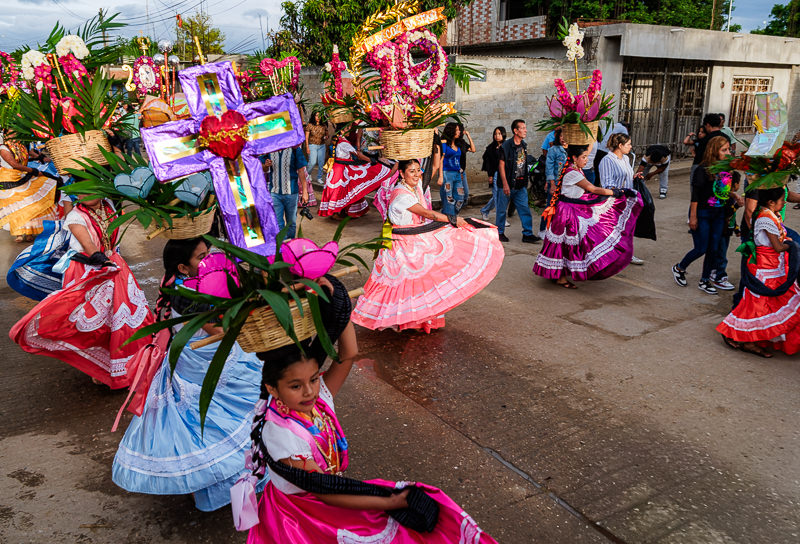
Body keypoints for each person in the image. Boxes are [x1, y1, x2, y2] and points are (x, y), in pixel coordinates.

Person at [233, 277, 498, 543]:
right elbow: (323, 491)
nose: (309, 391)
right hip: (302, 514)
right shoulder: (280, 434)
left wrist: (339, 303)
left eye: (313, 379)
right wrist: (390, 503)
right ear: (272, 388)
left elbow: (348, 354)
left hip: (327, 495)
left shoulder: (319, 399)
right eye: (295, 385)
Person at [113, 238, 267, 511]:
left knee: (213, 426)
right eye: (201, 257)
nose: (207, 261)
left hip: (195, 362)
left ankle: (212, 486)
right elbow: (218, 331)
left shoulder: (178, 282)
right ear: (183, 267)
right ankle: (211, 489)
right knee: (217, 425)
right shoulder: (188, 293)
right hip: (203, 366)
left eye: (208, 254)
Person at [10, 196, 154, 387]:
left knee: (123, 318)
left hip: (114, 266)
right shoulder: (75, 216)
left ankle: (132, 364)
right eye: (81, 190)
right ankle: (99, 367)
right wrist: (100, 259)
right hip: (89, 270)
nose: (86, 195)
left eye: (90, 188)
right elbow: (89, 245)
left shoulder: (109, 205)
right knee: (95, 322)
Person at [352, 159, 503, 332]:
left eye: (418, 170)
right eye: (411, 171)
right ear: (401, 173)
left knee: (420, 281)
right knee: (406, 284)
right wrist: (453, 219)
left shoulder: (414, 188)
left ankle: (419, 319)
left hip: (412, 240)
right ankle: (406, 320)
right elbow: (426, 213)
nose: (417, 175)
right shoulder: (401, 194)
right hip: (401, 245)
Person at [533, 144, 642, 288]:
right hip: (567, 212)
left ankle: (559, 274)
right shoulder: (573, 173)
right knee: (567, 245)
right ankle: (560, 277)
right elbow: (593, 188)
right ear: (574, 158)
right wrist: (618, 193)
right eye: (583, 157)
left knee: (566, 244)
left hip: (568, 209)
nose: (586, 160)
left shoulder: (574, 169)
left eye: (586, 156)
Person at [717, 187, 800, 358]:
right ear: (770, 202)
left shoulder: (770, 214)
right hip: (765, 270)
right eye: (781, 200)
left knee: (768, 306)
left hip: (773, 267)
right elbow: (777, 246)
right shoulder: (766, 218)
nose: (784, 203)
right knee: (756, 307)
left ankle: (755, 339)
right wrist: (792, 246)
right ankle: (743, 338)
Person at [672, 136, 732, 295]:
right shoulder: (702, 169)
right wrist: (693, 217)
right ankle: (679, 268)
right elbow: (696, 196)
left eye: (728, 149)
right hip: (703, 214)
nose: (728, 152)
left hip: (718, 215)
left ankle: (705, 280)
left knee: (714, 248)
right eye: (724, 150)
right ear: (714, 151)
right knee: (701, 248)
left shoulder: (726, 170)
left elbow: (723, 194)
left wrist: (729, 214)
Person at [318, 127, 396, 218]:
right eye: (347, 128)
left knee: (343, 190)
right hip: (340, 169)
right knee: (340, 191)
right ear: (342, 130)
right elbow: (357, 154)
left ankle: (341, 211)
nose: (350, 130)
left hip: (339, 168)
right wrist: (371, 160)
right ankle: (335, 213)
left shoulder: (340, 140)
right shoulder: (343, 142)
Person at [0, 132, 61, 242]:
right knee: (17, 206)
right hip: (8, 179)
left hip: (21, 176)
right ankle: (18, 232)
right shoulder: (4, 148)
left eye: (15, 131)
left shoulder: (21, 146)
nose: (14, 133)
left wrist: (40, 159)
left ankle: (30, 232)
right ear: (5, 133)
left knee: (29, 203)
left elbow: (28, 157)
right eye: (11, 131)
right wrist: (34, 171)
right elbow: (14, 165)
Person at [599, 133, 644, 266]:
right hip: (615, 201)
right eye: (628, 144)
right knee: (613, 230)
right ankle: (610, 256)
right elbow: (607, 183)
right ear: (620, 145)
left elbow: (626, 176)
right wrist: (620, 192)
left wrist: (634, 177)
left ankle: (627, 254)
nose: (631, 147)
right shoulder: (607, 160)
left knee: (627, 228)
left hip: (628, 200)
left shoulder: (625, 158)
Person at [496, 119, 538, 244]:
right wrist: (505, 184)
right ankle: (499, 233)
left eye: (525, 128)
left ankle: (527, 234)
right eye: (523, 128)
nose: (525, 130)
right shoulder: (506, 146)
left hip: (520, 185)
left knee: (525, 210)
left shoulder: (523, 145)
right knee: (502, 210)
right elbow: (501, 166)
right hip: (507, 184)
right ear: (515, 130)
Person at [265, 144, 309, 238]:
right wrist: (265, 165)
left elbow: (301, 171)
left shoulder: (295, 150)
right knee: (277, 222)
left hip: (291, 193)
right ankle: (281, 246)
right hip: (274, 193)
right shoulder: (270, 149)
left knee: (291, 223)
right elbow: (264, 167)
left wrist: (305, 192)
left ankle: (290, 244)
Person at [709, 172, 742, 291]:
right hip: (722, 231)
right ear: (735, 184)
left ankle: (713, 271)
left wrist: (736, 228)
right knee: (722, 254)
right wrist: (738, 206)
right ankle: (720, 277)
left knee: (718, 252)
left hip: (726, 230)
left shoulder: (728, 196)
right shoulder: (727, 199)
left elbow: (732, 218)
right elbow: (728, 213)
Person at [691, 114, 730, 179]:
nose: (728, 153)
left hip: (704, 170)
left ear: (708, 125)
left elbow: (700, 155)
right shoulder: (726, 137)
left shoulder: (705, 139)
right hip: (722, 168)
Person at [439, 122, 466, 216]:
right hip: (447, 174)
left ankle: (447, 215)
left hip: (457, 174)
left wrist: (460, 172)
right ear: (451, 131)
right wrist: (441, 176)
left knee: (461, 198)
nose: (459, 132)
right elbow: (440, 160)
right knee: (449, 198)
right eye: (457, 130)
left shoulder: (458, 144)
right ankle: (450, 220)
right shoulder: (444, 144)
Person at [480, 126, 506, 222]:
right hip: (495, 174)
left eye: (499, 134)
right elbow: (488, 163)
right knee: (498, 196)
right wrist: (490, 175)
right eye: (495, 134)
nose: (497, 136)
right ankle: (501, 219)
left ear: (503, 134)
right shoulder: (491, 148)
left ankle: (485, 210)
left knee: (500, 196)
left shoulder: (507, 146)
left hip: (506, 175)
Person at [593, 121, 629, 186]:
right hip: (608, 151)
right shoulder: (623, 128)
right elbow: (626, 140)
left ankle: (596, 189)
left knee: (597, 173)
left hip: (599, 149)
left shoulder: (608, 125)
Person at [304, 111, 328, 185]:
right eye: (316, 115)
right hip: (312, 145)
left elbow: (327, 134)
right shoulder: (310, 125)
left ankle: (319, 178)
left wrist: (326, 137)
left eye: (319, 116)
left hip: (322, 146)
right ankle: (307, 174)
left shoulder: (324, 125)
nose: (318, 117)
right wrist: (307, 147)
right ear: (313, 116)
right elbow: (306, 138)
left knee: (321, 163)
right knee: (312, 162)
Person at [456, 123, 476, 205]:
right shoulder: (451, 143)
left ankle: (457, 209)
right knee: (458, 194)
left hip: (462, 171)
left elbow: (473, 149)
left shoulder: (462, 142)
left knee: (466, 194)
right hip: (455, 171)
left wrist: (468, 136)